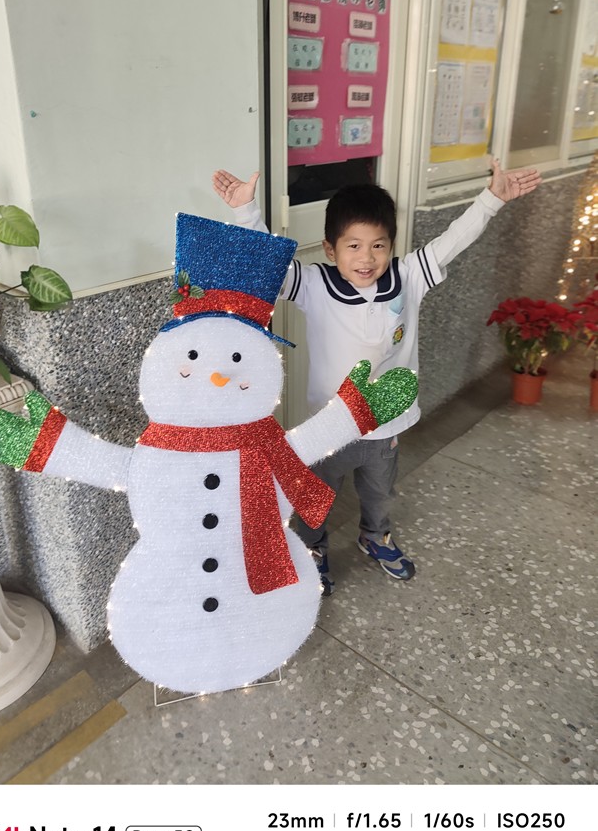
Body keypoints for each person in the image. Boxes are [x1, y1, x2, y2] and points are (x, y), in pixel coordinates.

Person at [212, 159, 542, 596]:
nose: (366, 258)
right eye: (353, 245)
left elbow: (452, 241)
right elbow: (267, 262)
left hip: (386, 426)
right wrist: (245, 210)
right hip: (328, 426)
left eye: (378, 246)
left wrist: (491, 199)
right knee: (316, 496)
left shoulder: (408, 277)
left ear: (391, 246)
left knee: (380, 493)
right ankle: (313, 550)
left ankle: (375, 537)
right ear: (330, 249)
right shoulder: (313, 284)